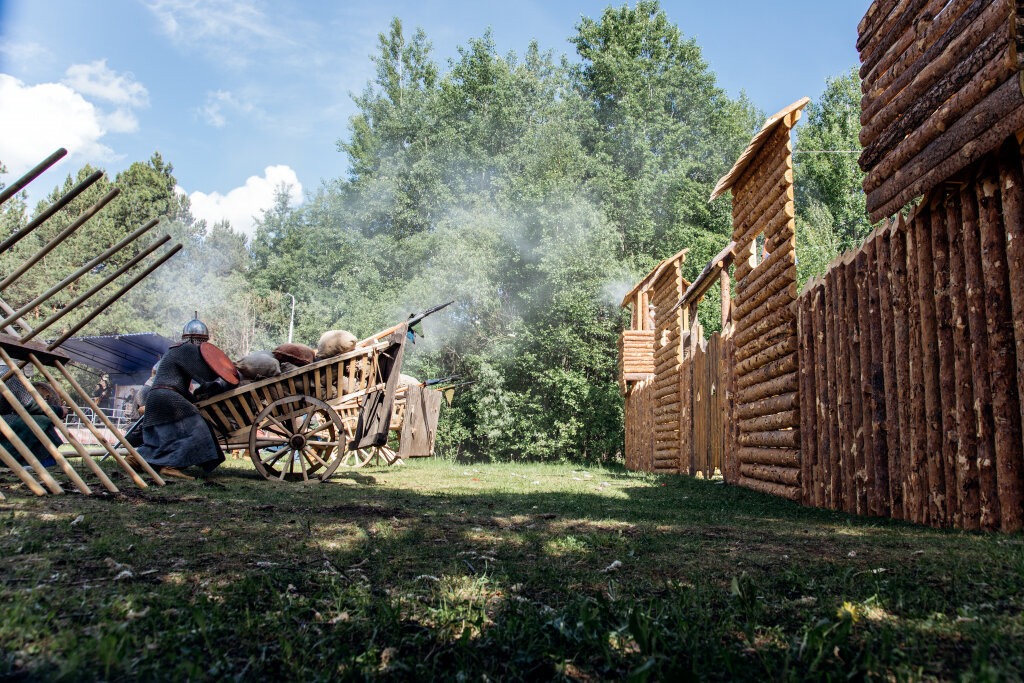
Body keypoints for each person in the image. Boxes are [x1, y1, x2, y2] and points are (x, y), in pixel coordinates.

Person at [125, 315, 230, 480]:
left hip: (157, 396)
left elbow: (177, 382)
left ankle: (138, 459)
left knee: (166, 434)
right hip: (167, 396)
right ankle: (171, 465)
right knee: (199, 428)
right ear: (197, 339)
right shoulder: (187, 350)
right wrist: (224, 374)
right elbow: (205, 376)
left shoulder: (174, 349)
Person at [0, 365, 65, 468]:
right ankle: (31, 462)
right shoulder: (6, 372)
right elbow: (28, 405)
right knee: (40, 421)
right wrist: (57, 410)